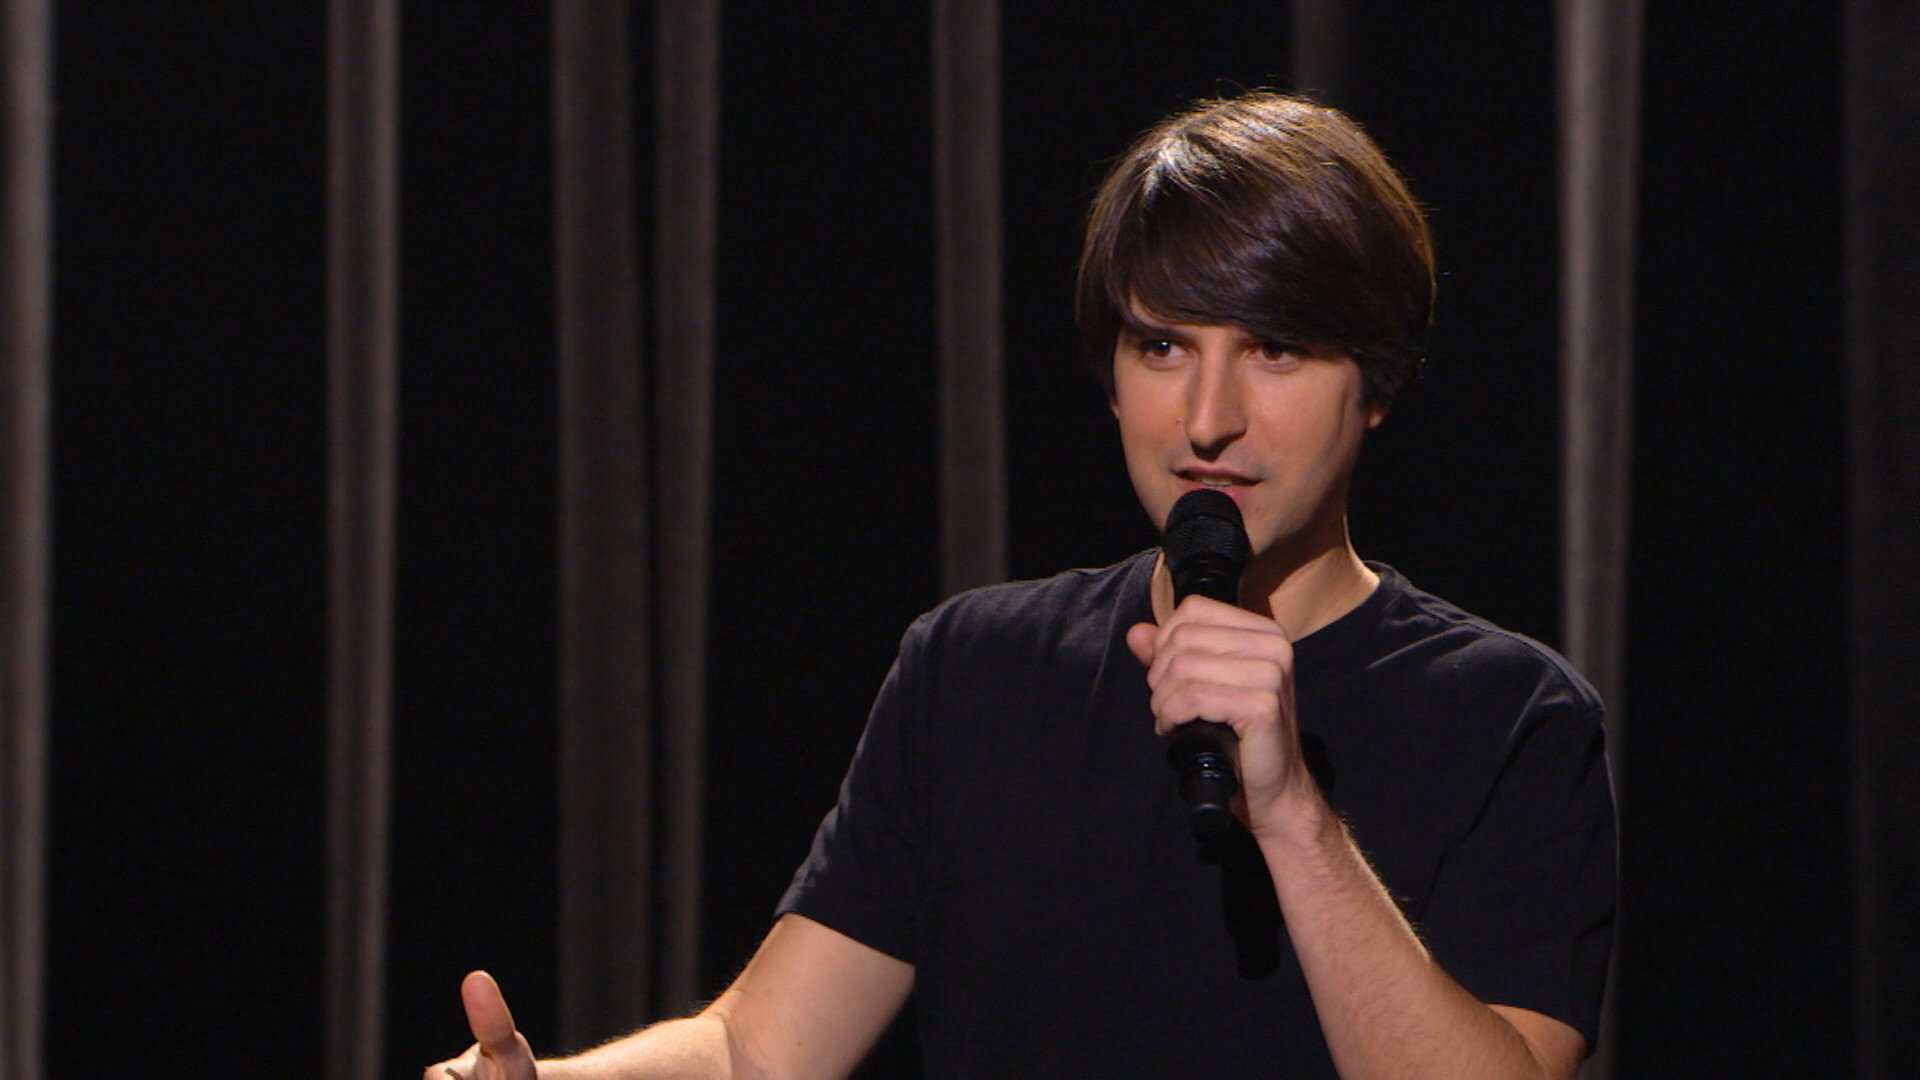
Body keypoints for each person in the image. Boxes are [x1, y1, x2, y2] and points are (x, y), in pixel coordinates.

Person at [430, 90, 1615, 1079]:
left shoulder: (1509, 718)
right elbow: (756, 1047)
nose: (1207, 418)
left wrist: (1293, 815)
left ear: (1378, 385)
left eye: (1273, 350)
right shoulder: (975, 670)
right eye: (1163, 347)